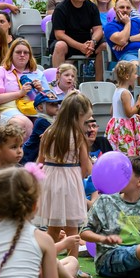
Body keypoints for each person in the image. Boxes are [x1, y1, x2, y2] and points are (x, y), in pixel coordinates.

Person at [36, 92, 93, 241]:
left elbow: (39, 162)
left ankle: (48, 254)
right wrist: (77, 180)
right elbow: (87, 167)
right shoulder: (78, 136)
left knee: (53, 228)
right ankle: (72, 256)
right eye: (85, 121)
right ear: (79, 116)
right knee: (72, 229)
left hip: (50, 182)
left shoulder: (48, 132)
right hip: (70, 182)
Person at [49, 0, 104, 81]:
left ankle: (99, 83)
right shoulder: (61, 8)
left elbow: (98, 29)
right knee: (60, 45)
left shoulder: (92, 7)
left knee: (104, 46)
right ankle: (57, 82)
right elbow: (59, 34)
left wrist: (93, 42)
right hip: (66, 42)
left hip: (86, 42)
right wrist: (80, 46)